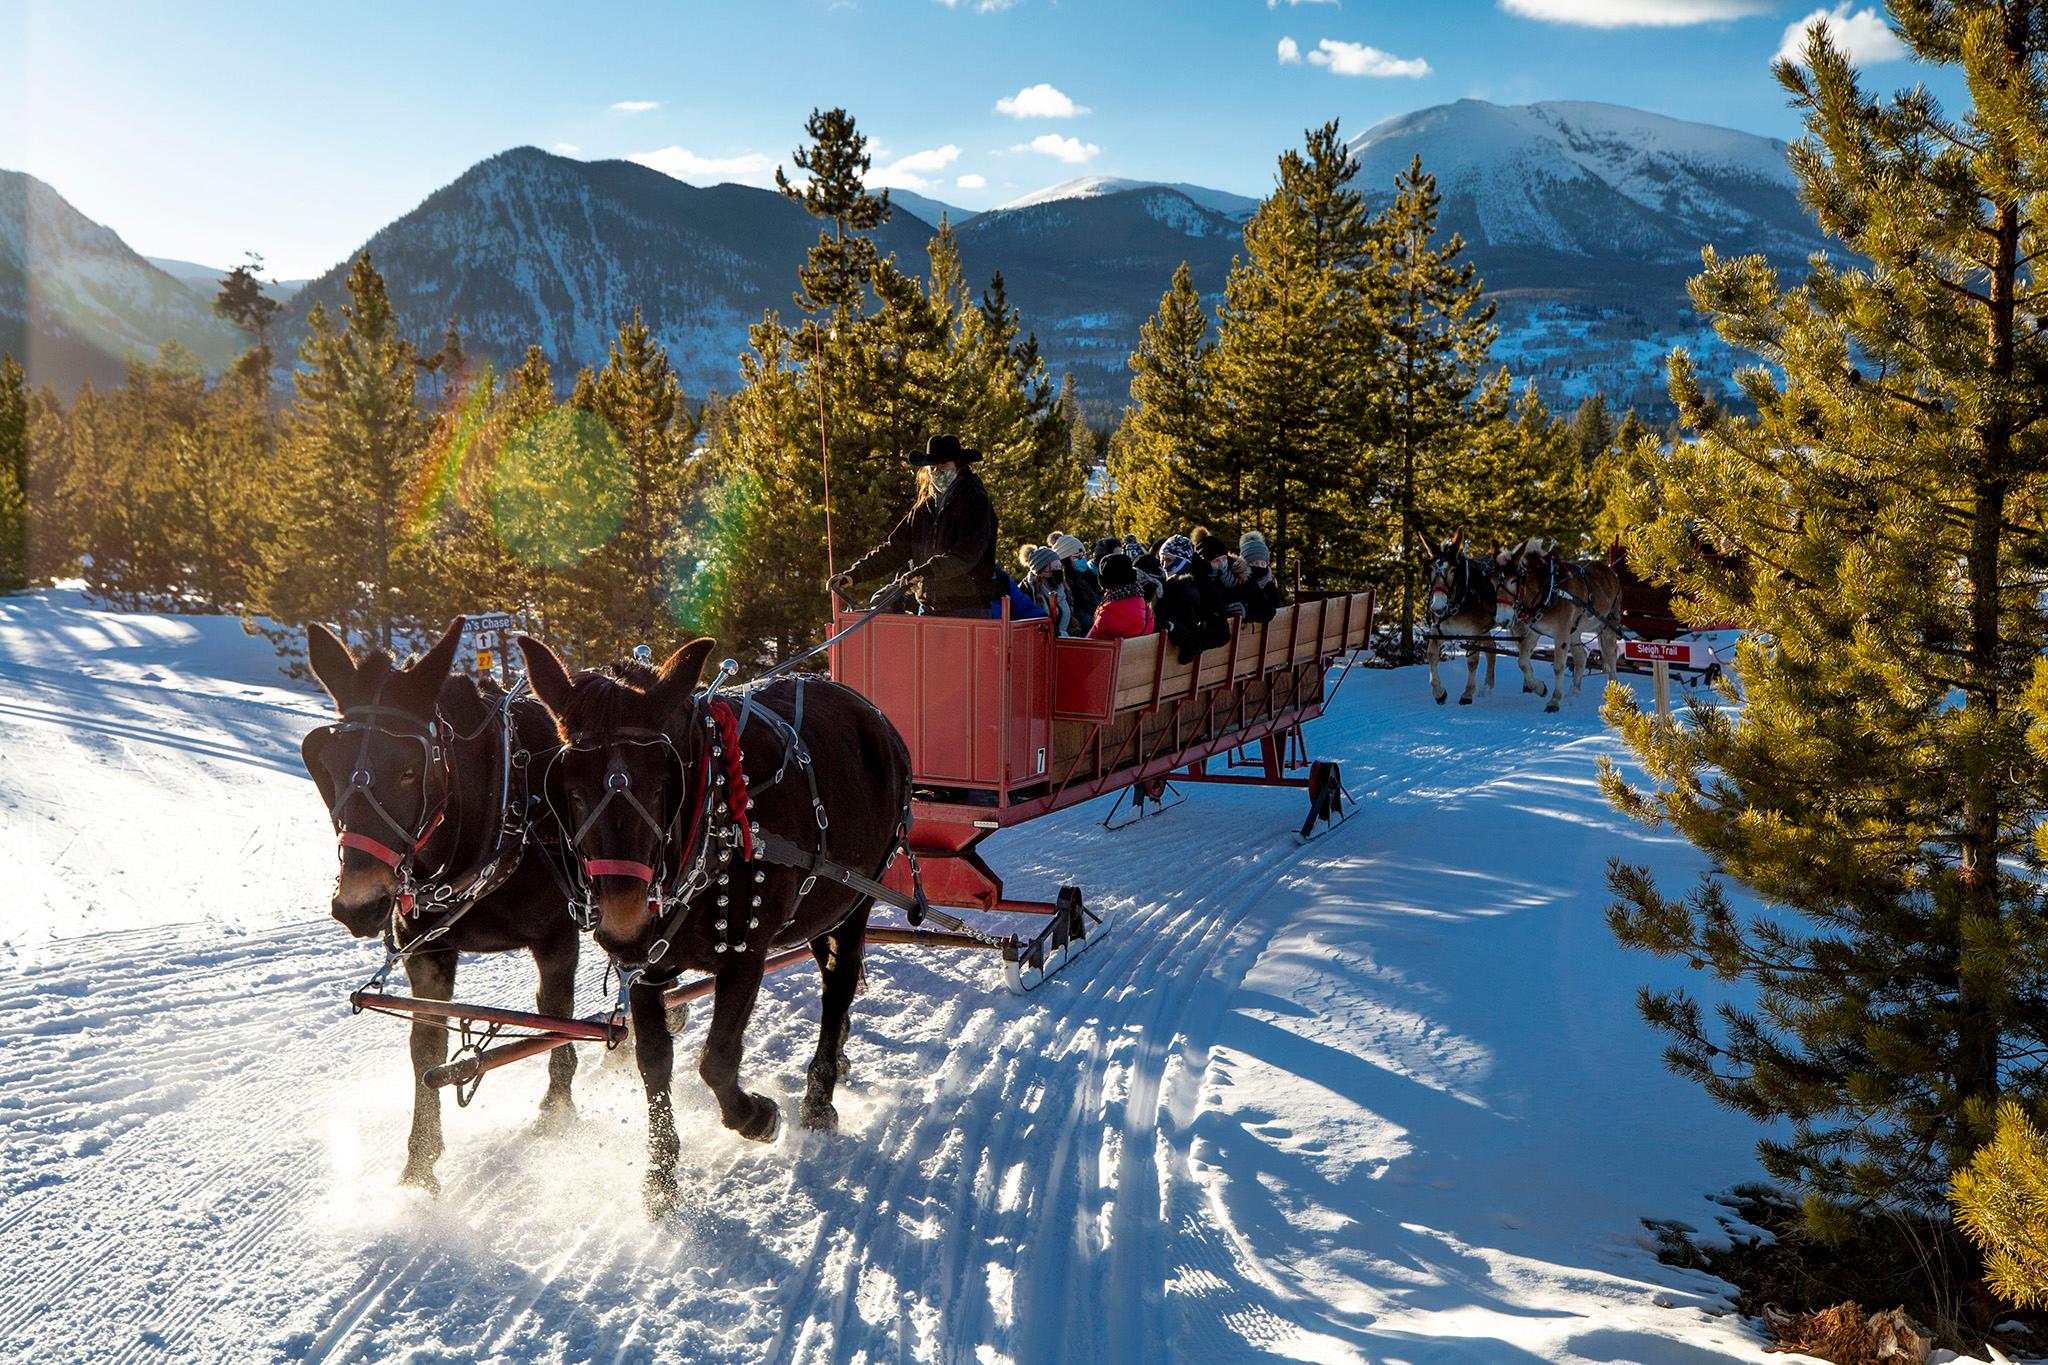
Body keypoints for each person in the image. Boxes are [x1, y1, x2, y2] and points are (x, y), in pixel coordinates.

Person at [835, 434, 1001, 617]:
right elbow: (894, 549)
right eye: (933, 466)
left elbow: (966, 555)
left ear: (959, 466)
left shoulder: (975, 500)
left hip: (968, 609)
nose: (937, 471)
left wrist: (927, 571)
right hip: (929, 608)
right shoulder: (923, 507)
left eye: (943, 465)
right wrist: (854, 575)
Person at [1154, 533, 1231, 664]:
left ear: (1183, 560)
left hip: (1178, 664)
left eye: (1169, 560)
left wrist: (1195, 644)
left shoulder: (1203, 587)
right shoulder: (1161, 584)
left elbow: (1222, 634)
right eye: (1162, 560)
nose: (1165, 566)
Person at [1087, 553, 1154, 641]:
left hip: (1115, 653)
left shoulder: (1110, 609)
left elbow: (1091, 641)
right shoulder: (1141, 601)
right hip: (1137, 652)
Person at [1018, 543, 1076, 635]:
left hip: (1063, 638)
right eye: (1055, 567)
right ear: (1042, 571)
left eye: (1059, 567)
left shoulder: (1060, 587)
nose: (1059, 571)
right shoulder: (1027, 590)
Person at [1048, 531, 1101, 626]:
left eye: (1084, 555)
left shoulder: (1089, 576)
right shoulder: (1064, 584)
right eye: (1078, 556)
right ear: (1065, 560)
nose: (1083, 559)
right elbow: (1076, 614)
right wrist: (1098, 623)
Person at [1238, 531, 1285, 619]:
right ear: (1245, 564)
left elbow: (1268, 611)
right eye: (1255, 563)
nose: (1259, 567)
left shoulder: (1269, 587)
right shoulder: (1236, 582)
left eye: (1262, 564)